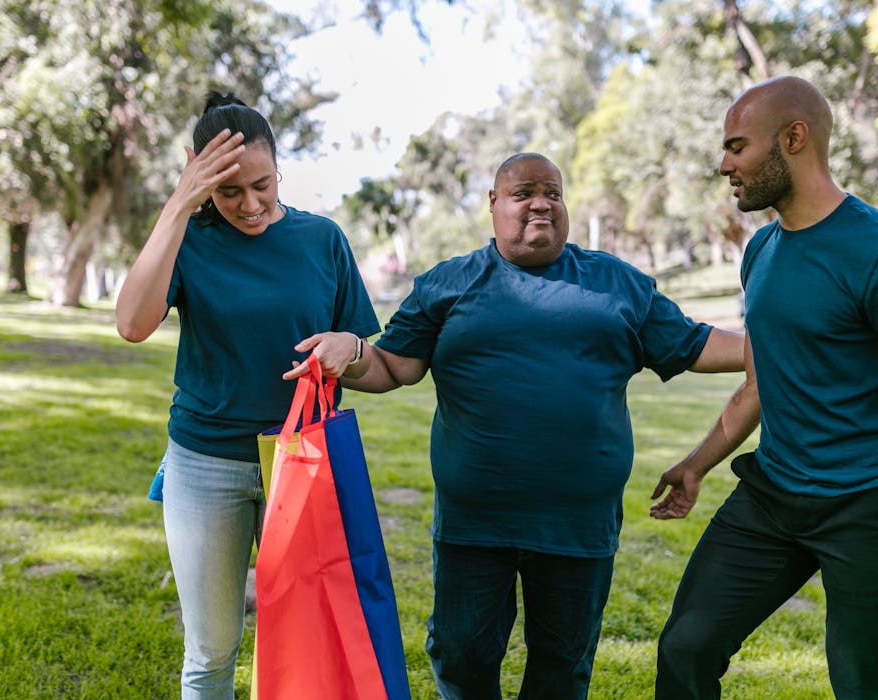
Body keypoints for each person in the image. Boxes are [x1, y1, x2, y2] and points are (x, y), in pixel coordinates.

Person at [286, 152, 745, 699]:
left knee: (562, 665)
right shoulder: (447, 284)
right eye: (524, 192)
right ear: (494, 204)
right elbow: (393, 368)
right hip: (474, 523)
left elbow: (698, 346)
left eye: (553, 192)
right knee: (460, 652)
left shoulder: (616, 285)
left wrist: (785, 341)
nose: (541, 204)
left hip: (578, 526)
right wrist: (354, 348)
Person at [650, 75, 878, 699]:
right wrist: (696, 465)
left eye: (737, 146)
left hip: (872, 507)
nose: (724, 164)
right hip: (774, 495)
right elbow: (759, 387)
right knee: (685, 648)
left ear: (794, 138)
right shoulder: (760, 251)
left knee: (863, 686)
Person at [115, 91, 380, 699]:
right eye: (228, 191)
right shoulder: (191, 238)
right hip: (205, 463)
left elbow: (371, 360)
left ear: (279, 168)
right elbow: (132, 323)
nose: (250, 204)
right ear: (200, 176)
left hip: (305, 463)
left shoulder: (323, 240)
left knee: (313, 638)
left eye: (262, 184)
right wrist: (181, 204)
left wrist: (349, 346)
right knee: (211, 651)